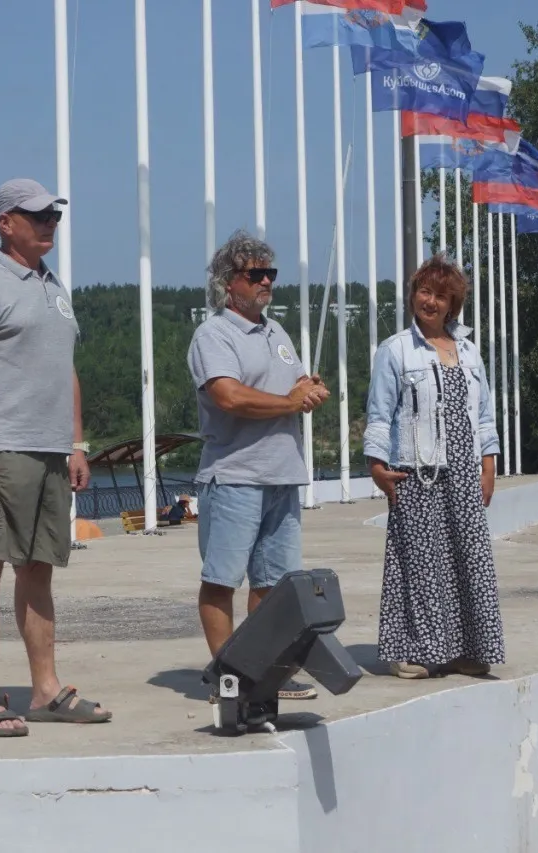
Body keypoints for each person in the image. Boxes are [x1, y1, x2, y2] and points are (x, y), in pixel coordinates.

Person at [0, 178, 111, 737]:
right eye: (38, 215)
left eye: (53, 216)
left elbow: (65, 368)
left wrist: (77, 443)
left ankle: (46, 691)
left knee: (38, 570)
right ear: (4, 222)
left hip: (51, 450)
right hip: (2, 446)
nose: (49, 224)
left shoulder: (53, 285)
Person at [187, 229, 330, 701]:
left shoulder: (276, 332)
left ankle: (264, 672)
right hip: (235, 477)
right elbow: (228, 396)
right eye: (255, 275)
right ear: (228, 282)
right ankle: (227, 677)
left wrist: (309, 388)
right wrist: (290, 401)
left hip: (282, 475)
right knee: (221, 580)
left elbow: (292, 387)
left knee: (274, 586)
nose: (266, 281)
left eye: (270, 273)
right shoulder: (214, 334)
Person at [363, 255, 505, 680]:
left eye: (441, 296)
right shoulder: (395, 350)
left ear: (452, 305)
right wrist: (376, 465)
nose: (430, 301)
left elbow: (484, 416)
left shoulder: (469, 351)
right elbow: (379, 415)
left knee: (468, 561)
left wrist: (488, 467)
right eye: (424, 292)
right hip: (417, 471)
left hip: (464, 472)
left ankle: (465, 650)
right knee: (420, 564)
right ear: (413, 296)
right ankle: (414, 651)